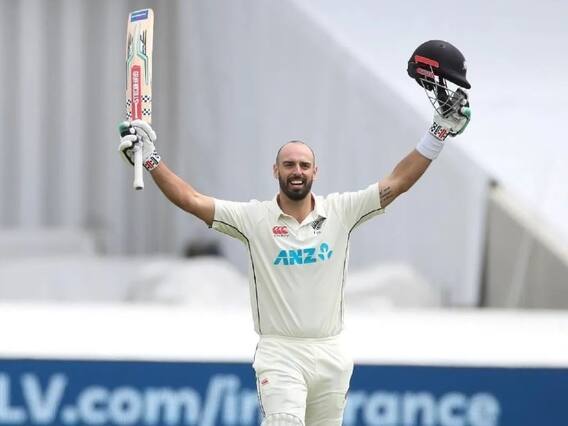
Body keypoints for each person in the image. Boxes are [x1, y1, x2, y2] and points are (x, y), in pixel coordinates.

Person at [118, 49, 471, 425]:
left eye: (304, 165)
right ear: (276, 171)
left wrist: (437, 133)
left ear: (315, 172)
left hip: (331, 352)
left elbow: (397, 182)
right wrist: (151, 160)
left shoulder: (341, 211)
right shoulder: (253, 218)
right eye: (289, 165)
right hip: (280, 353)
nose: (297, 171)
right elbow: (191, 199)